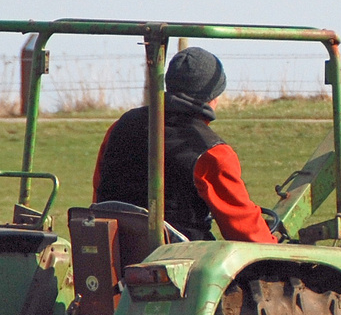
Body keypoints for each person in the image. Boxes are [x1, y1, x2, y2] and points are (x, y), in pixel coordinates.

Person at [91, 46, 277, 243]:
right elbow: (244, 229)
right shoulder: (211, 153)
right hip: (180, 260)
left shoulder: (119, 127)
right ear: (213, 97)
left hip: (112, 252)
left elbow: (99, 193)